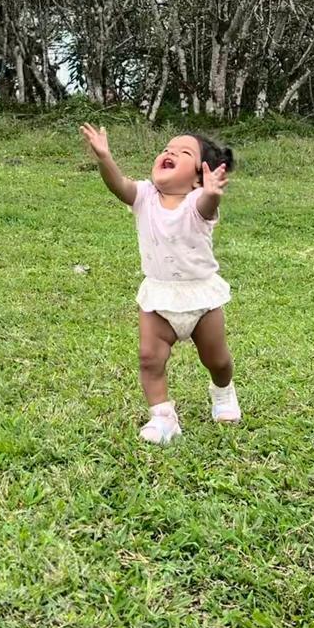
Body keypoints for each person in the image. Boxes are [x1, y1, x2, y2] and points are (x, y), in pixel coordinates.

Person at [80, 124, 241, 444]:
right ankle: (163, 417)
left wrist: (211, 193)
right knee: (149, 358)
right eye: (167, 149)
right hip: (158, 296)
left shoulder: (197, 201)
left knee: (217, 360)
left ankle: (223, 392)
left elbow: (207, 207)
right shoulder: (144, 196)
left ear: (198, 176)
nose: (169, 153)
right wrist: (104, 158)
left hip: (201, 298)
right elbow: (118, 185)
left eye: (183, 153)